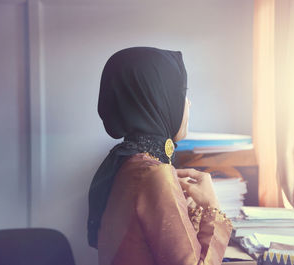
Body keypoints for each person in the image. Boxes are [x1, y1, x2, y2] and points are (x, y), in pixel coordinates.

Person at [87, 47, 232, 265]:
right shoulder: (153, 174)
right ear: (158, 99)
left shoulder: (126, 163)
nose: (188, 103)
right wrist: (212, 206)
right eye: (182, 93)